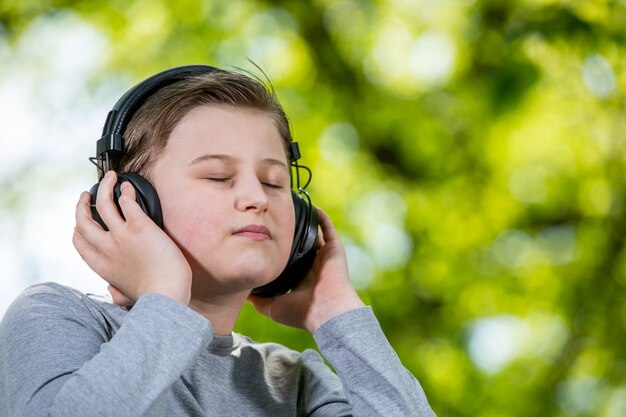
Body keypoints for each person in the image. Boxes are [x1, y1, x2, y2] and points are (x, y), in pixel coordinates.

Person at [0, 65, 435, 416]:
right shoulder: (57, 317)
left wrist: (335, 310)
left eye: (273, 181)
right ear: (130, 201)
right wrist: (166, 296)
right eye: (218, 176)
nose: (255, 198)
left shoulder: (296, 382)